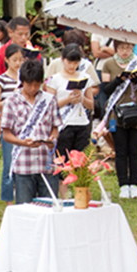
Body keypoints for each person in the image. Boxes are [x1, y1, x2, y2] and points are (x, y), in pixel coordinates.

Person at [1, 61, 61, 204]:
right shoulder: (11, 102)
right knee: (25, 208)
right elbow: (6, 134)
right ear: (22, 81)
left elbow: (55, 127)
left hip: (46, 163)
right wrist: (22, 142)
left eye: (37, 84)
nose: (33, 88)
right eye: (29, 85)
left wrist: (53, 139)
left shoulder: (49, 100)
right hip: (24, 165)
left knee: (49, 207)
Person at [45, 43, 99, 197]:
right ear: (63, 60)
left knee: (81, 161)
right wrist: (67, 100)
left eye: (75, 63)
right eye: (69, 62)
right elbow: (49, 105)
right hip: (63, 125)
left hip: (81, 123)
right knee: (63, 162)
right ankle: (64, 196)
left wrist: (81, 98)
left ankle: (80, 194)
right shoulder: (54, 80)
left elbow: (91, 104)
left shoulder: (85, 78)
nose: (72, 66)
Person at [102, 41, 137, 199]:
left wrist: (136, 81)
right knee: (121, 151)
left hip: (136, 112)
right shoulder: (109, 64)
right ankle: (123, 184)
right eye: (122, 48)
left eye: (128, 48)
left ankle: (134, 185)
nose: (125, 51)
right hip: (117, 114)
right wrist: (118, 80)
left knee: (135, 151)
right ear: (116, 48)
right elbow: (106, 89)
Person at [0, 43, 24, 203]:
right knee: (9, 164)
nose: (17, 63)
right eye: (14, 60)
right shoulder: (1, 80)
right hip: (9, 125)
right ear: (7, 60)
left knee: (23, 163)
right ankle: (8, 200)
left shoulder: (24, 79)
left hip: (24, 125)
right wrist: (11, 99)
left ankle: (22, 195)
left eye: (20, 59)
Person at [0, 16, 35, 81]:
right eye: (20, 34)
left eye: (26, 34)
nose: (23, 38)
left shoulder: (33, 53)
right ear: (10, 32)